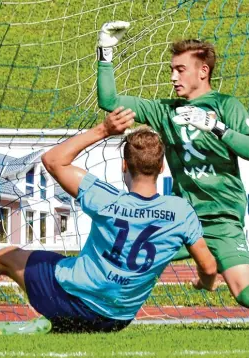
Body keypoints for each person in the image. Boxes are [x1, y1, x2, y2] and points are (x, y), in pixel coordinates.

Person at [0, 108, 218, 334]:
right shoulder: (180, 212)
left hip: (70, 300)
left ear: (124, 164)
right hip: (118, 319)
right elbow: (208, 267)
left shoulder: (105, 198)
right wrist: (203, 284)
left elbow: (53, 160)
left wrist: (103, 130)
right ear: (162, 168)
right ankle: (55, 325)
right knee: (61, 263)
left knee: (7, 258)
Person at [96, 21, 249, 308]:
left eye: (180, 70)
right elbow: (110, 100)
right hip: (179, 218)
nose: (172, 77)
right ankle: (82, 311)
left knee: (244, 295)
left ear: (203, 72)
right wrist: (105, 51)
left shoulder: (228, 106)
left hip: (222, 218)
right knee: (117, 262)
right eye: (172, 70)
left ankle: (208, 273)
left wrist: (216, 128)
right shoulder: (165, 110)